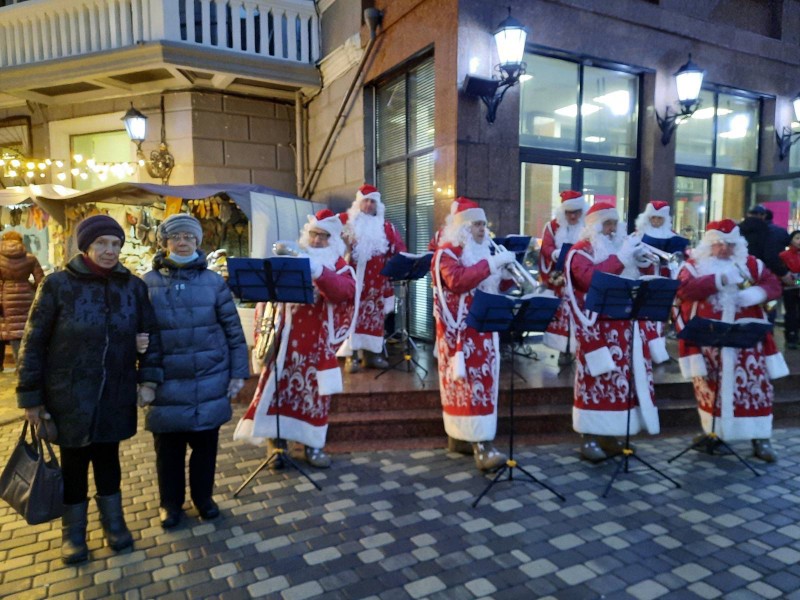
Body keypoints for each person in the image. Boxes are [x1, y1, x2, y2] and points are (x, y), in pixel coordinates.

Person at [16, 214, 162, 564]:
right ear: (86, 246)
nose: (110, 251)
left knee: (109, 460)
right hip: (69, 395)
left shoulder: (133, 286)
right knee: (74, 464)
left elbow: (150, 335)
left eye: (115, 244)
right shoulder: (57, 285)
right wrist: (30, 398)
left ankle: (114, 525)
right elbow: (32, 343)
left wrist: (149, 378)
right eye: (102, 244)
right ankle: (74, 535)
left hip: (116, 391)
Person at [142, 214, 250, 529]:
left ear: (197, 241)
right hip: (166, 382)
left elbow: (233, 331)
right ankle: (170, 504)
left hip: (209, 378)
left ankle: (204, 499)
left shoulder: (214, 283)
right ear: (165, 242)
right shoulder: (147, 284)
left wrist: (238, 373)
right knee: (168, 452)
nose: (183, 241)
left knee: (205, 449)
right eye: (176, 236)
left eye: (189, 236)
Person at [234, 209, 356, 468]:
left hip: (317, 347)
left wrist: (319, 273)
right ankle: (277, 446)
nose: (317, 241)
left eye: (323, 236)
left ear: (333, 240)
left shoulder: (339, 266)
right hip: (283, 342)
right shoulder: (289, 260)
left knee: (315, 398)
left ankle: (312, 445)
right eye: (313, 234)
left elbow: (345, 291)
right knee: (277, 392)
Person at [675, 219, 788, 462]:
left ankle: (761, 438)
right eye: (718, 244)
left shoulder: (750, 265)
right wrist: (719, 280)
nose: (724, 249)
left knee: (755, 389)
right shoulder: (694, 266)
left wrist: (753, 294)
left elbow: (773, 284)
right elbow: (684, 290)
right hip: (708, 341)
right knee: (711, 390)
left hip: (748, 341)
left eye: (729, 244)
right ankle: (715, 434)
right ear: (708, 245)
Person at [564, 202, 662, 462]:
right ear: (594, 226)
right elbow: (591, 280)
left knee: (620, 384)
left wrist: (642, 264)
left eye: (614, 224)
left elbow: (635, 283)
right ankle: (589, 436)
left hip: (625, 328)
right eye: (606, 224)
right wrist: (621, 259)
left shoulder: (620, 248)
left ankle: (611, 433)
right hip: (596, 330)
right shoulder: (579, 252)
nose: (612, 230)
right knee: (595, 382)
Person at [431, 197, 516, 472]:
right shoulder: (447, 253)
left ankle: (463, 439)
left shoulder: (483, 251)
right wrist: (492, 264)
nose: (483, 230)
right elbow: (458, 281)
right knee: (467, 387)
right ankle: (479, 445)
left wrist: (507, 274)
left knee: (483, 385)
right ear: (463, 228)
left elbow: (493, 286)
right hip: (460, 336)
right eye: (477, 225)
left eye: (483, 224)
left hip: (484, 330)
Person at [338, 184, 406, 372]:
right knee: (350, 316)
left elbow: (399, 250)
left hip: (376, 283)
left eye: (372, 202)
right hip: (351, 281)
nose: (368, 205)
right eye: (365, 201)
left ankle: (372, 354)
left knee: (374, 319)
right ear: (358, 202)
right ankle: (350, 355)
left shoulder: (386, 228)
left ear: (378, 205)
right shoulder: (344, 222)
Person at [539, 190, 587, 365]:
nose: (573, 216)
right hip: (562, 281)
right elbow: (546, 248)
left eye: (576, 212)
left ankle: (581, 349)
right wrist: (555, 254)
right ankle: (564, 352)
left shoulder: (588, 226)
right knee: (562, 316)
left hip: (581, 282)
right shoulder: (552, 227)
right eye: (569, 212)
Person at [0, 230, 44, 369]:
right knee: (27, 331)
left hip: (6, 298)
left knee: (12, 331)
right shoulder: (30, 258)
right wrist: (29, 286)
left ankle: (19, 367)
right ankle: (28, 367)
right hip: (27, 296)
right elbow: (41, 282)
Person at [779, 230, 800, 349]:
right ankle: (791, 336)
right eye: (797, 238)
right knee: (791, 313)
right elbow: (781, 274)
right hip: (789, 289)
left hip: (795, 286)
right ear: (791, 239)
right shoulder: (784, 255)